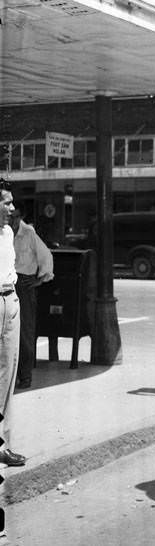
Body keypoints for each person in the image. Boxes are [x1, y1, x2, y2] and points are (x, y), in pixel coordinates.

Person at [10, 201, 54, 389]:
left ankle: (25, 376)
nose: (13, 219)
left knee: (25, 333)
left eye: (16, 216)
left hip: (24, 285)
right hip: (6, 282)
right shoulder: (2, 233)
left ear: (22, 217)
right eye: (10, 215)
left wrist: (40, 280)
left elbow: (46, 257)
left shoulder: (28, 233)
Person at [0, 181, 26, 467]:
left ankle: (4, 445)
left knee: (7, 375)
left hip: (11, 301)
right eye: (6, 202)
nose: (11, 208)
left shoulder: (8, 232)